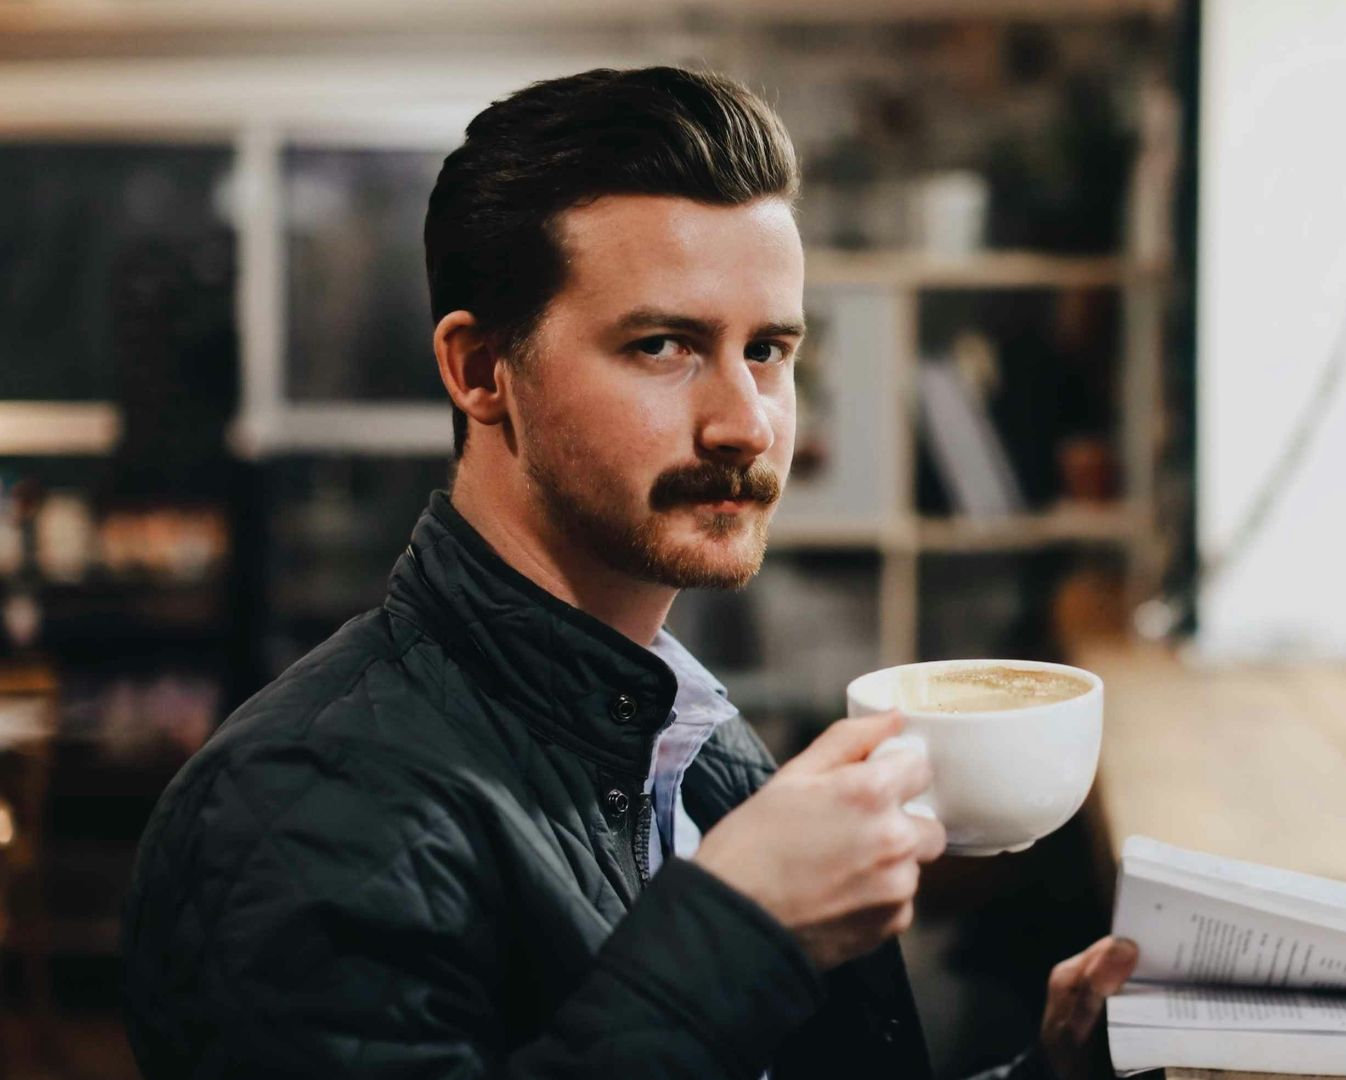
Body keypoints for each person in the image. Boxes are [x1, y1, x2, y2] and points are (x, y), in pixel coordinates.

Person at [121, 66, 1137, 1079]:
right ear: (481, 371)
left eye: (771, 350)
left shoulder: (690, 742)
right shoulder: (293, 814)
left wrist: (1050, 1074)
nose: (746, 422)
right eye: (663, 345)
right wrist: (739, 936)